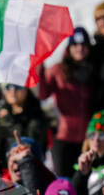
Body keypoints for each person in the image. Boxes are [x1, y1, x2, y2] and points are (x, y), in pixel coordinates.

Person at [37, 27, 95, 177]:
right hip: (63, 137)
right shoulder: (58, 70)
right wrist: (40, 70)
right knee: (65, 180)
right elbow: (43, 95)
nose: (79, 48)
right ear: (69, 48)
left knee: (84, 180)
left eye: (83, 45)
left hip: (87, 139)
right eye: (75, 44)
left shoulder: (93, 70)